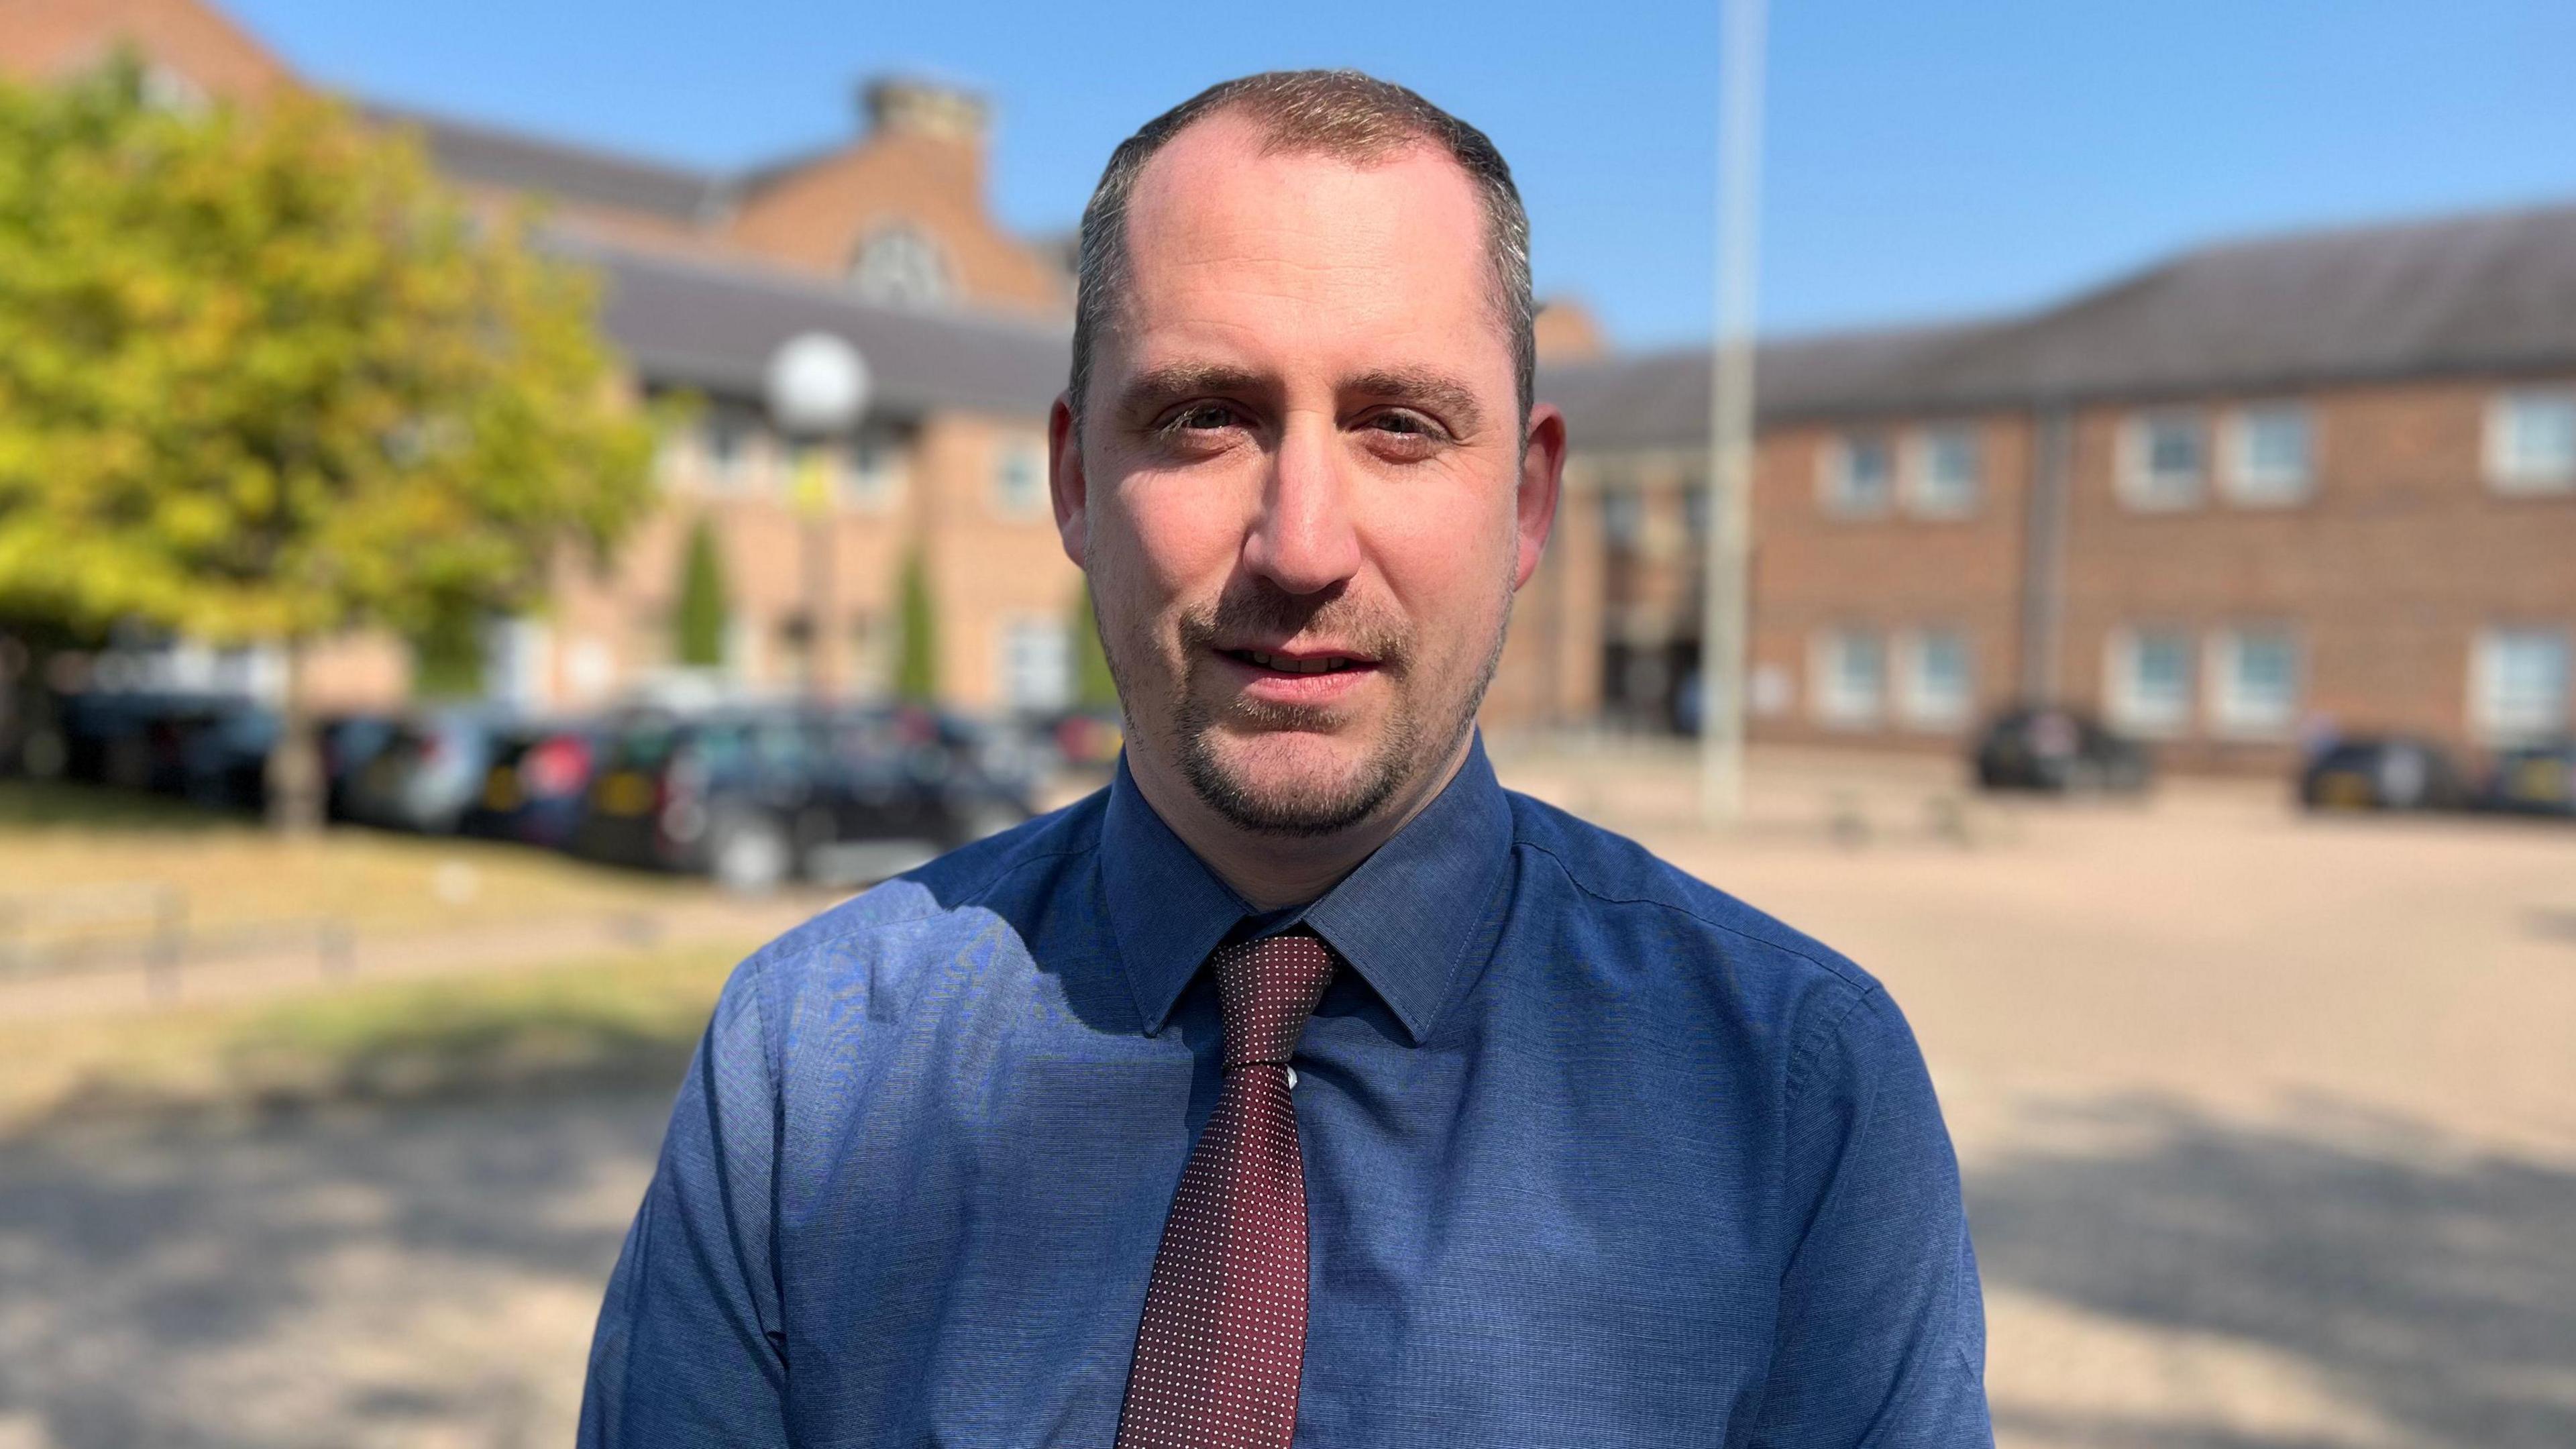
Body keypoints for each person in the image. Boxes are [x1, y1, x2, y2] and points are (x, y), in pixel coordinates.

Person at [580, 69, 1990, 1448]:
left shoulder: (1796, 1090)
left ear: (1529, 498)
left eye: (1399, 426)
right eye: (1206, 416)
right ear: (1075, 483)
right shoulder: (809, 1069)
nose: (1302, 544)